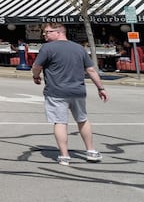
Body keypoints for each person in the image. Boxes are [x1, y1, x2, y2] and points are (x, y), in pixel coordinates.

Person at [31, 23, 108, 165]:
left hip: (56, 91)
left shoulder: (47, 48)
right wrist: (100, 87)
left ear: (59, 32)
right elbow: (90, 70)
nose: (45, 35)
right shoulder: (79, 48)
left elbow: (37, 66)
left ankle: (64, 155)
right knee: (82, 119)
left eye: (48, 32)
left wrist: (36, 76)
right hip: (77, 90)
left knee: (60, 122)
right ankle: (91, 151)